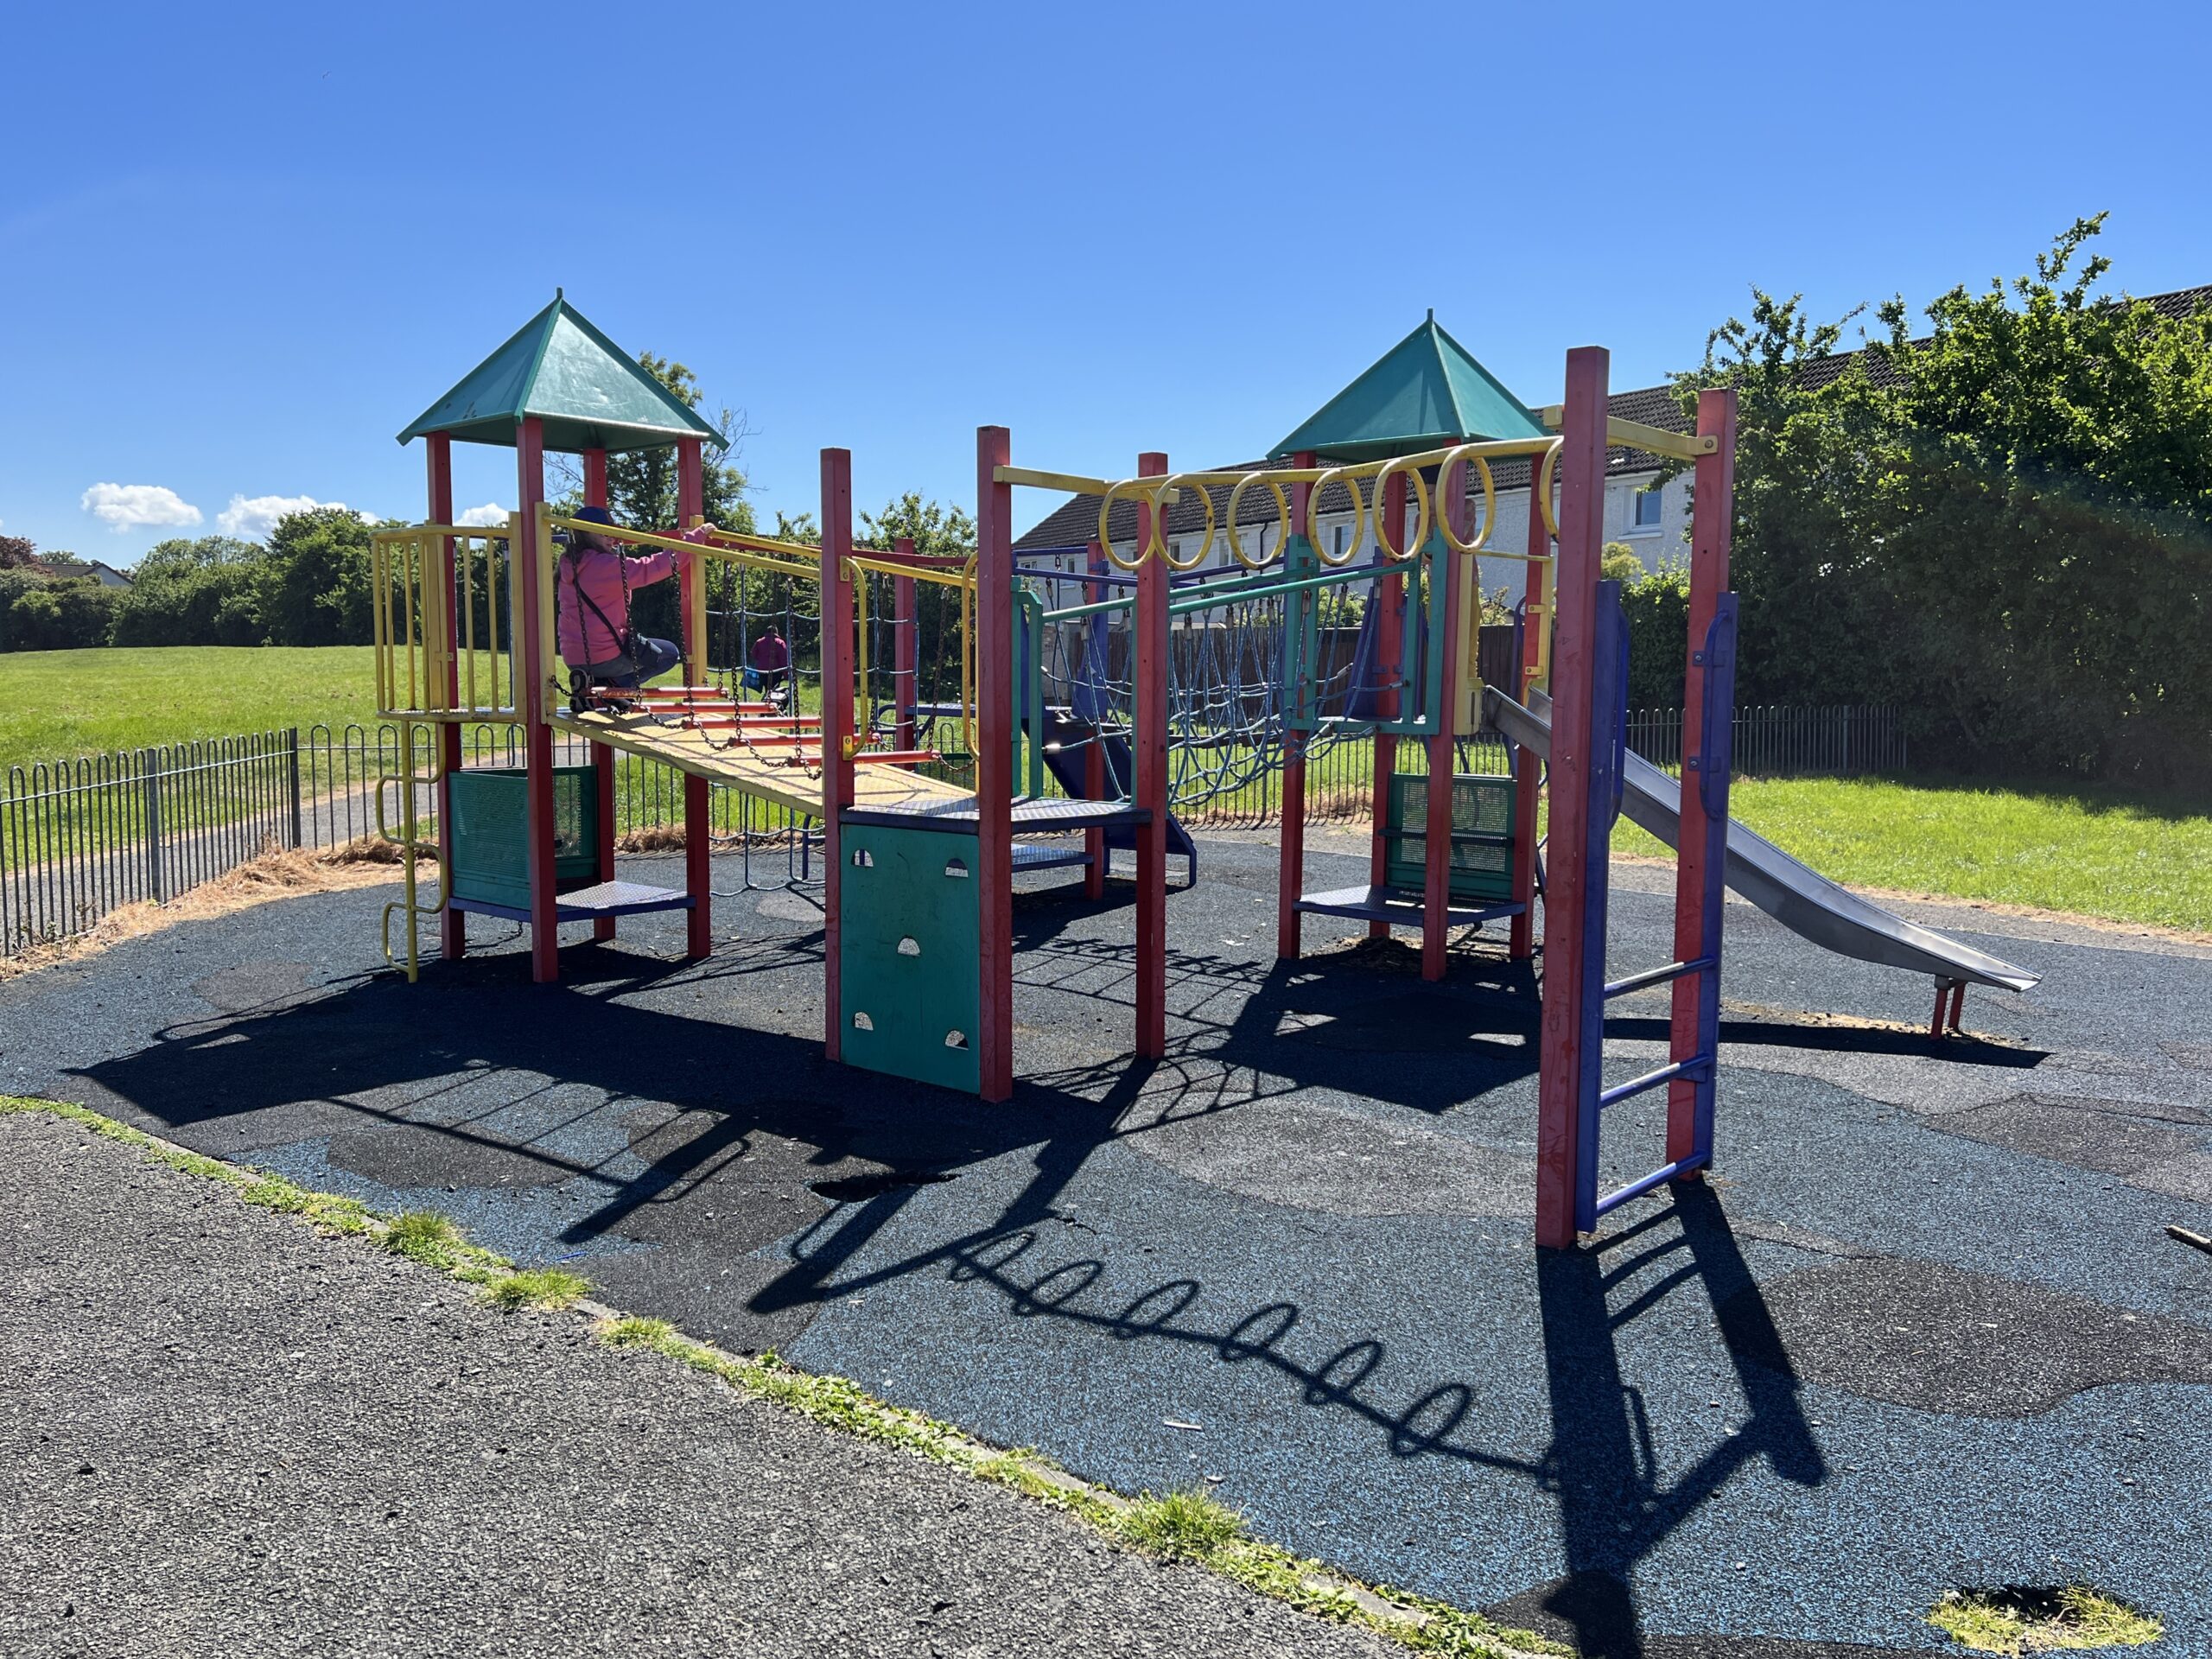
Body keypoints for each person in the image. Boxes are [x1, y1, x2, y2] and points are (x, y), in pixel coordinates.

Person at [556, 505, 707, 694]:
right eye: (605, 533)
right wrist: (695, 538)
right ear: (587, 534)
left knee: (642, 647)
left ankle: (592, 684)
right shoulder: (605, 566)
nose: (611, 537)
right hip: (605, 657)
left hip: (573, 657)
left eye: (612, 532)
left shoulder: (567, 565)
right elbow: (655, 566)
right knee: (669, 654)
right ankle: (613, 687)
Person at [749, 626, 791, 702]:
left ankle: (766, 702)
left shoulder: (759, 642)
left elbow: (753, 654)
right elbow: (783, 659)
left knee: (767, 689)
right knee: (774, 689)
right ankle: (771, 705)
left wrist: (761, 659)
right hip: (775, 671)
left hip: (762, 671)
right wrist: (786, 675)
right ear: (776, 632)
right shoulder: (780, 642)